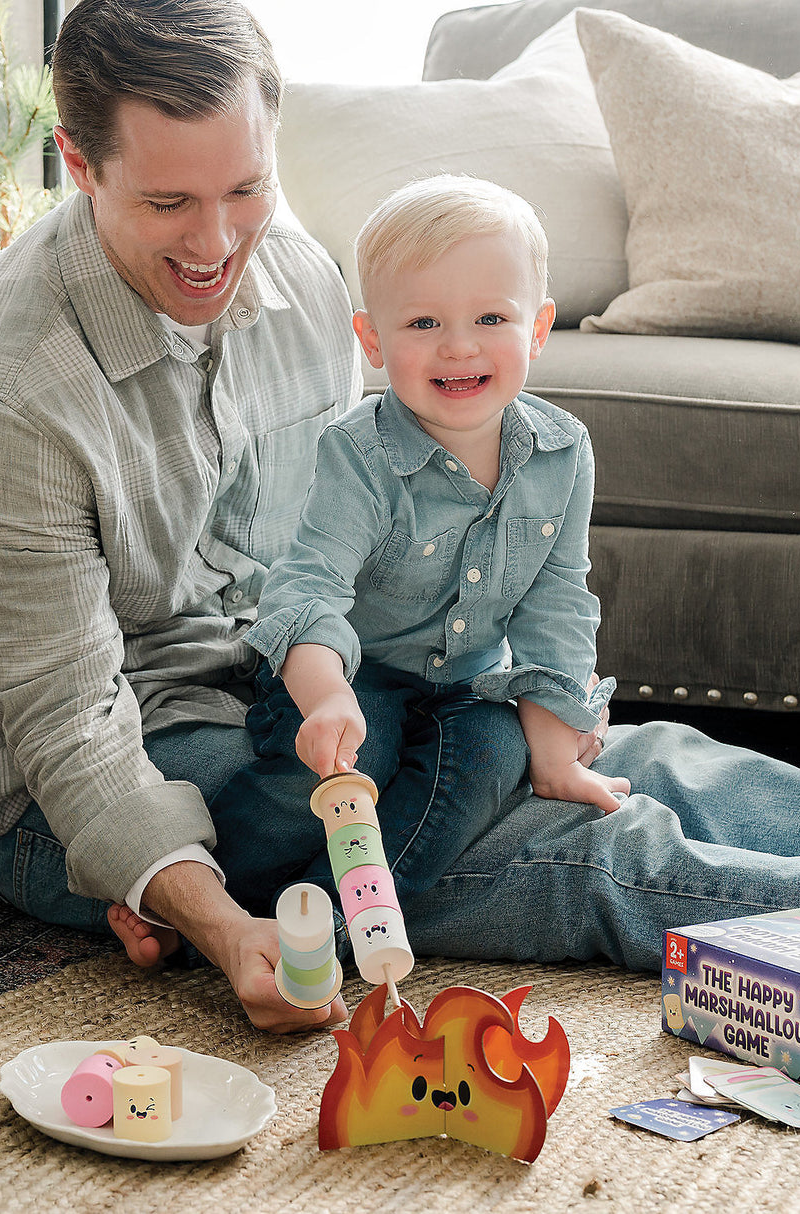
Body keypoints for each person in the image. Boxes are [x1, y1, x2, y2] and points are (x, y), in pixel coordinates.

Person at [0, 0, 800, 1037]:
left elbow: (358, 540)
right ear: (76, 163)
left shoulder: (292, 275)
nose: (217, 242)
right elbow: (68, 726)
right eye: (168, 202)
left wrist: (499, 688)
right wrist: (216, 920)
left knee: (628, 765)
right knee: (581, 846)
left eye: (245, 188)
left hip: (295, 690)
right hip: (97, 776)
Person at [236, 175, 629, 909]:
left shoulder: (562, 451)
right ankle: (208, 893)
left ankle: (333, 926)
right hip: (354, 674)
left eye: (489, 317)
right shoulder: (359, 454)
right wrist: (324, 700)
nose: (458, 346)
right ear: (373, 342)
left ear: (538, 330)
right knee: (357, 755)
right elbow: (308, 588)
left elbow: (556, 604)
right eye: (422, 324)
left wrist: (555, 748)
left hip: (472, 683)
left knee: (492, 756)